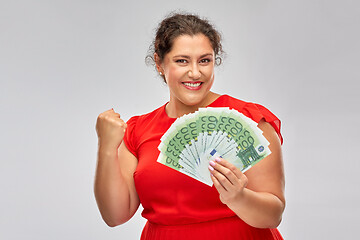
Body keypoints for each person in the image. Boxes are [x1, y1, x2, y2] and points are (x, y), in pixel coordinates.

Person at [94, 12, 285, 240]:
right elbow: (115, 216)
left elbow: (273, 214)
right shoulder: (138, 130)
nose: (195, 72)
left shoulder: (249, 119)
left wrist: (238, 197)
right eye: (182, 60)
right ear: (159, 63)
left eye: (204, 60)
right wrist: (106, 147)